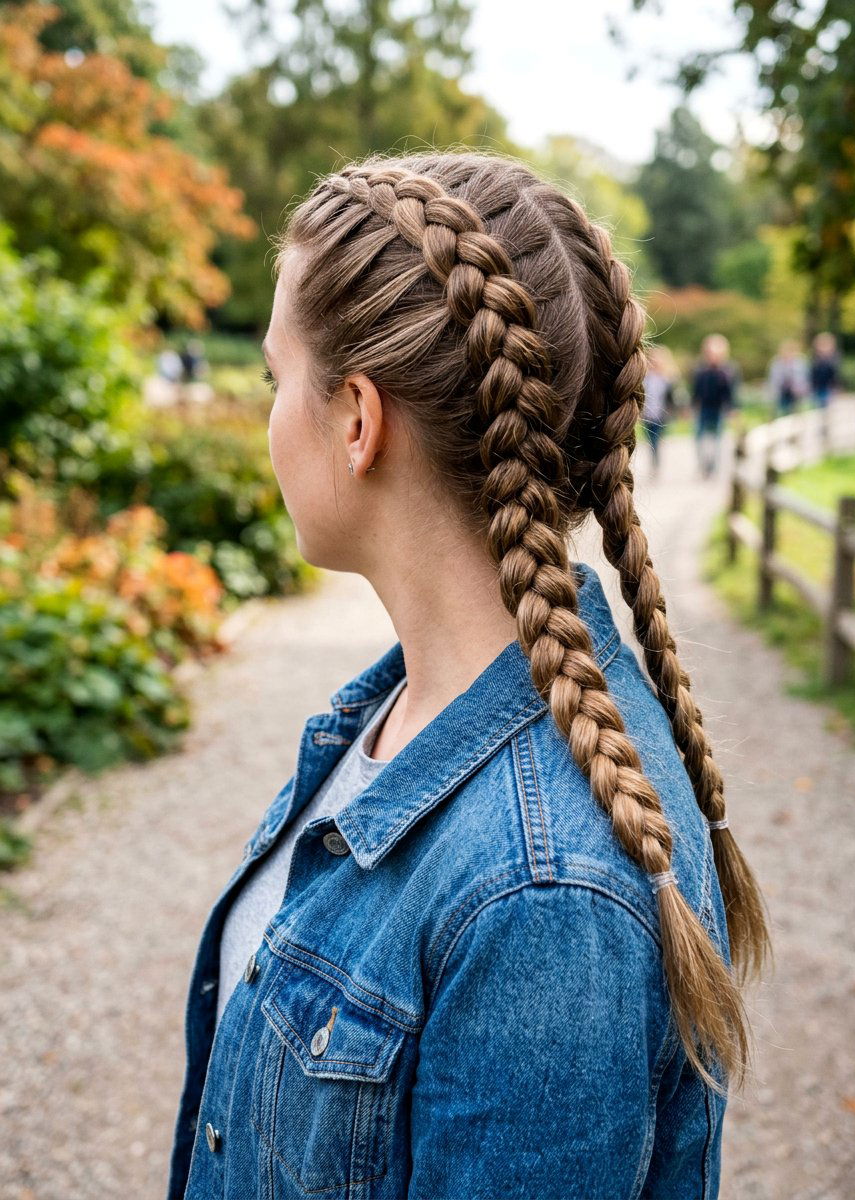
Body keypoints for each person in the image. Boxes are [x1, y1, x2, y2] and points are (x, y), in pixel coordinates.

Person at [166, 152, 770, 1200]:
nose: (269, 414)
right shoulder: (398, 710)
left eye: (276, 379)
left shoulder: (542, 899)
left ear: (357, 419)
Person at [691, 333, 739, 478]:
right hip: (704, 408)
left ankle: (713, 468)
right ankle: (703, 465)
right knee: (699, 437)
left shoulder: (728, 370)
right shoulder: (700, 370)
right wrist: (692, 405)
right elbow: (696, 390)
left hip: (719, 409)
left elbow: (731, 392)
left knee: (717, 439)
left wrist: (733, 408)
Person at [640, 343, 680, 477]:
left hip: (661, 415)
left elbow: (672, 399)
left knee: (656, 441)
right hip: (647, 414)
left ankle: (655, 466)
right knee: (651, 441)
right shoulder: (645, 377)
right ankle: (654, 463)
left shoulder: (668, 379)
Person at [766, 338, 809, 416]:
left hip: (796, 392)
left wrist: (801, 389)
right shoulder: (776, 363)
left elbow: (804, 378)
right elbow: (773, 379)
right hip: (782, 391)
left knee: (796, 412)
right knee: (783, 412)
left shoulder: (800, 362)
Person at [808, 331, 840, 408]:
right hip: (817, 387)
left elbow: (835, 374)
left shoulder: (833, 359)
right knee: (817, 406)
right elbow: (812, 374)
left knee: (827, 406)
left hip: (829, 387)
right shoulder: (814, 358)